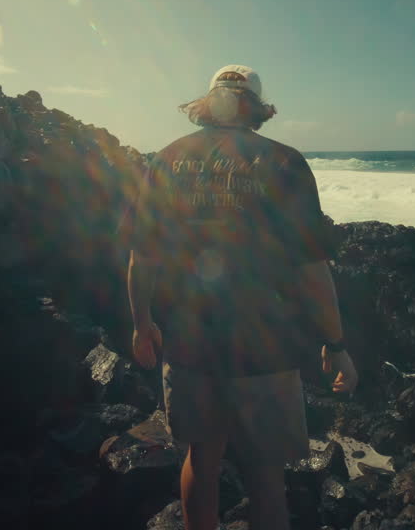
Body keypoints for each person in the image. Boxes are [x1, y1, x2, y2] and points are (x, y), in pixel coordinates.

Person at [124, 64, 359, 530]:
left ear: (210, 103)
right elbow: (312, 269)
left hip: (190, 339)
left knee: (202, 458)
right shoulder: (285, 162)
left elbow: (143, 255)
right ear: (255, 106)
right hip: (266, 342)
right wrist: (336, 346)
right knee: (267, 472)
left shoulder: (168, 159)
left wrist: (141, 323)